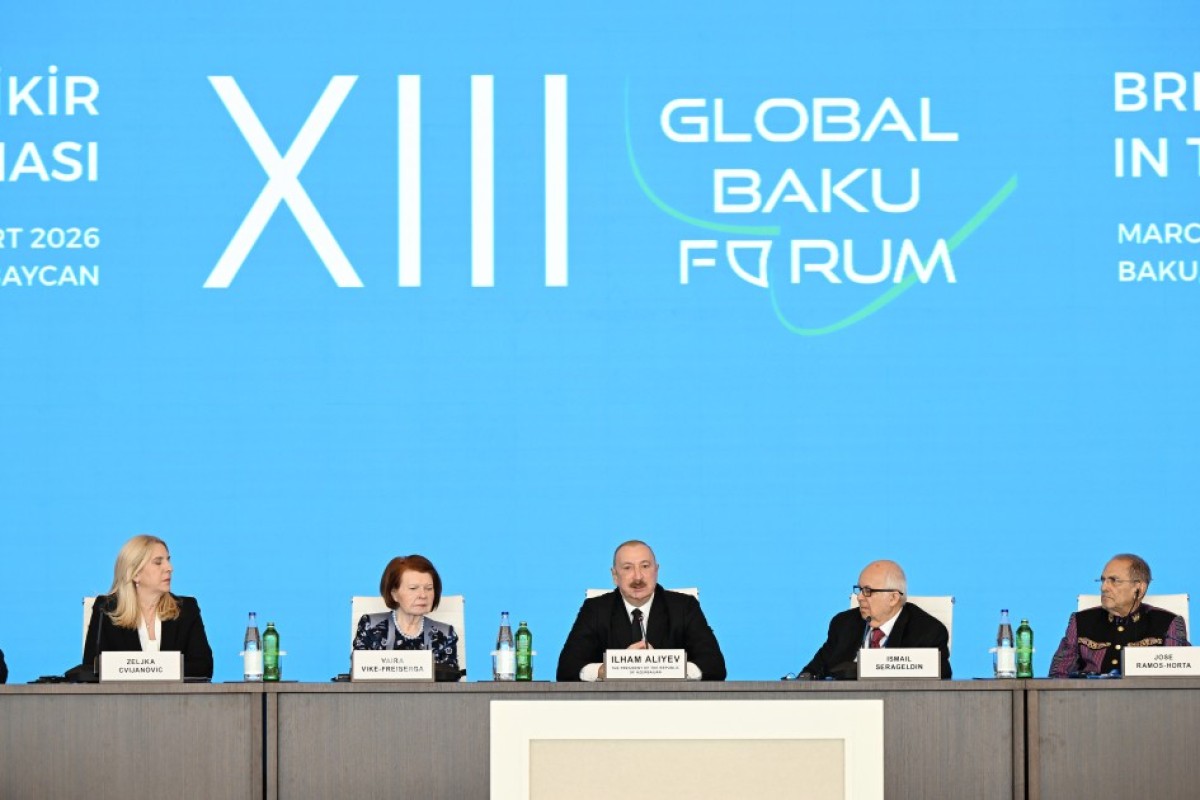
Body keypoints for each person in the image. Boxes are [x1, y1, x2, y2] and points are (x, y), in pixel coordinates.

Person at [556, 540, 727, 681]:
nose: (638, 577)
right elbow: (567, 669)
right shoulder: (595, 609)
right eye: (627, 568)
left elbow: (714, 666)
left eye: (645, 566)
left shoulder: (684, 607)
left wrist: (663, 667)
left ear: (656, 571)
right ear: (615, 576)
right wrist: (605, 670)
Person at [82, 535, 214, 679]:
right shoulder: (106, 609)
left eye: (168, 560)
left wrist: (146, 669)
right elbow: (91, 668)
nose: (169, 568)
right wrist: (162, 668)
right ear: (135, 573)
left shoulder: (186, 609)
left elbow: (203, 667)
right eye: (158, 562)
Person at [798, 559, 951, 679]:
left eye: (867, 591)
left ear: (893, 598)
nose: (859, 597)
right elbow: (811, 673)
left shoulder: (928, 632)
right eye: (859, 590)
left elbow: (940, 688)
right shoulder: (844, 624)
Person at [1048, 553, 1189, 677]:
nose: (1103, 587)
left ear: (1139, 588)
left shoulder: (1167, 623)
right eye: (1103, 580)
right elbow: (1058, 676)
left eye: (1114, 580)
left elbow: (1178, 680)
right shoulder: (1081, 621)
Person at [353, 554, 459, 670]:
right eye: (413, 588)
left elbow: (450, 679)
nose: (423, 595)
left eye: (429, 588)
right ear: (394, 594)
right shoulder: (371, 627)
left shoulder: (445, 634)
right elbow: (360, 673)